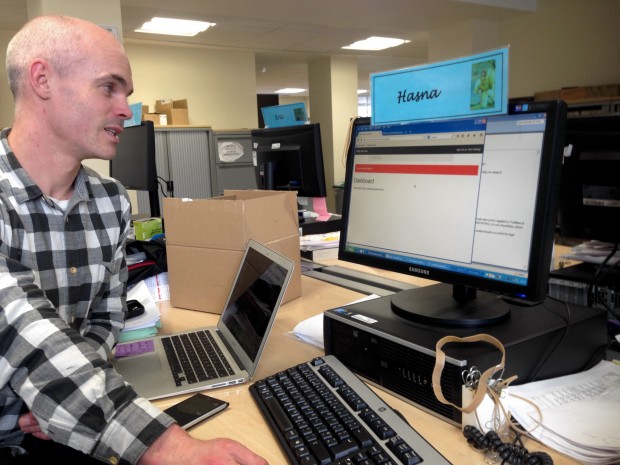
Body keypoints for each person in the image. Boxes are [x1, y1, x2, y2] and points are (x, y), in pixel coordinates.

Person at [0, 14, 268, 465]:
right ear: (42, 79)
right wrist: (166, 446)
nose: (127, 108)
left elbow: (106, 316)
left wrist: (67, 401)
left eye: (127, 93)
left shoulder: (110, 201)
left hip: (72, 427)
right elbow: (18, 321)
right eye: (109, 87)